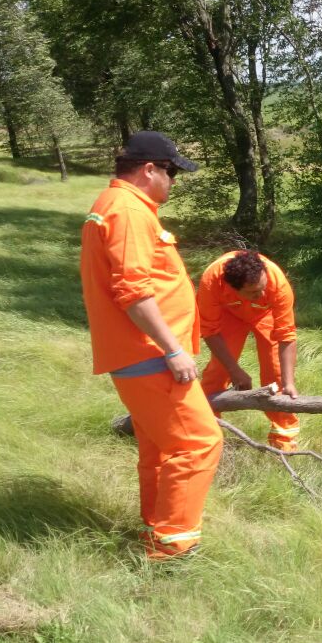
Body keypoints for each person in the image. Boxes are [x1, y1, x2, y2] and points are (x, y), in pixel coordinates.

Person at [80, 131, 222, 560]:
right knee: (198, 443)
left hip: (138, 355)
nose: (173, 182)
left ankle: (155, 532)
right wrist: (173, 350)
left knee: (160, 451)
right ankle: (174, 549)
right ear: (149, 170)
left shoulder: (116, 206)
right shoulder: (127, 211)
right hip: (151, 356)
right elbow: (133, 292)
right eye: (171, 171)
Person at [197, 250, 300, 451]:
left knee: (276, 372)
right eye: (254, 293)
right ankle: (207, 432)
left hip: (265, 315)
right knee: (218, 372)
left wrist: (288, 383)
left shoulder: (277, 283)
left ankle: (284, 440)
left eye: (263, 288)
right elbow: (209, 331)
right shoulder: (212, 282)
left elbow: (286, 335)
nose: (261, 295)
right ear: (231, 287)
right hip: (229, 316)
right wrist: (235, 370)